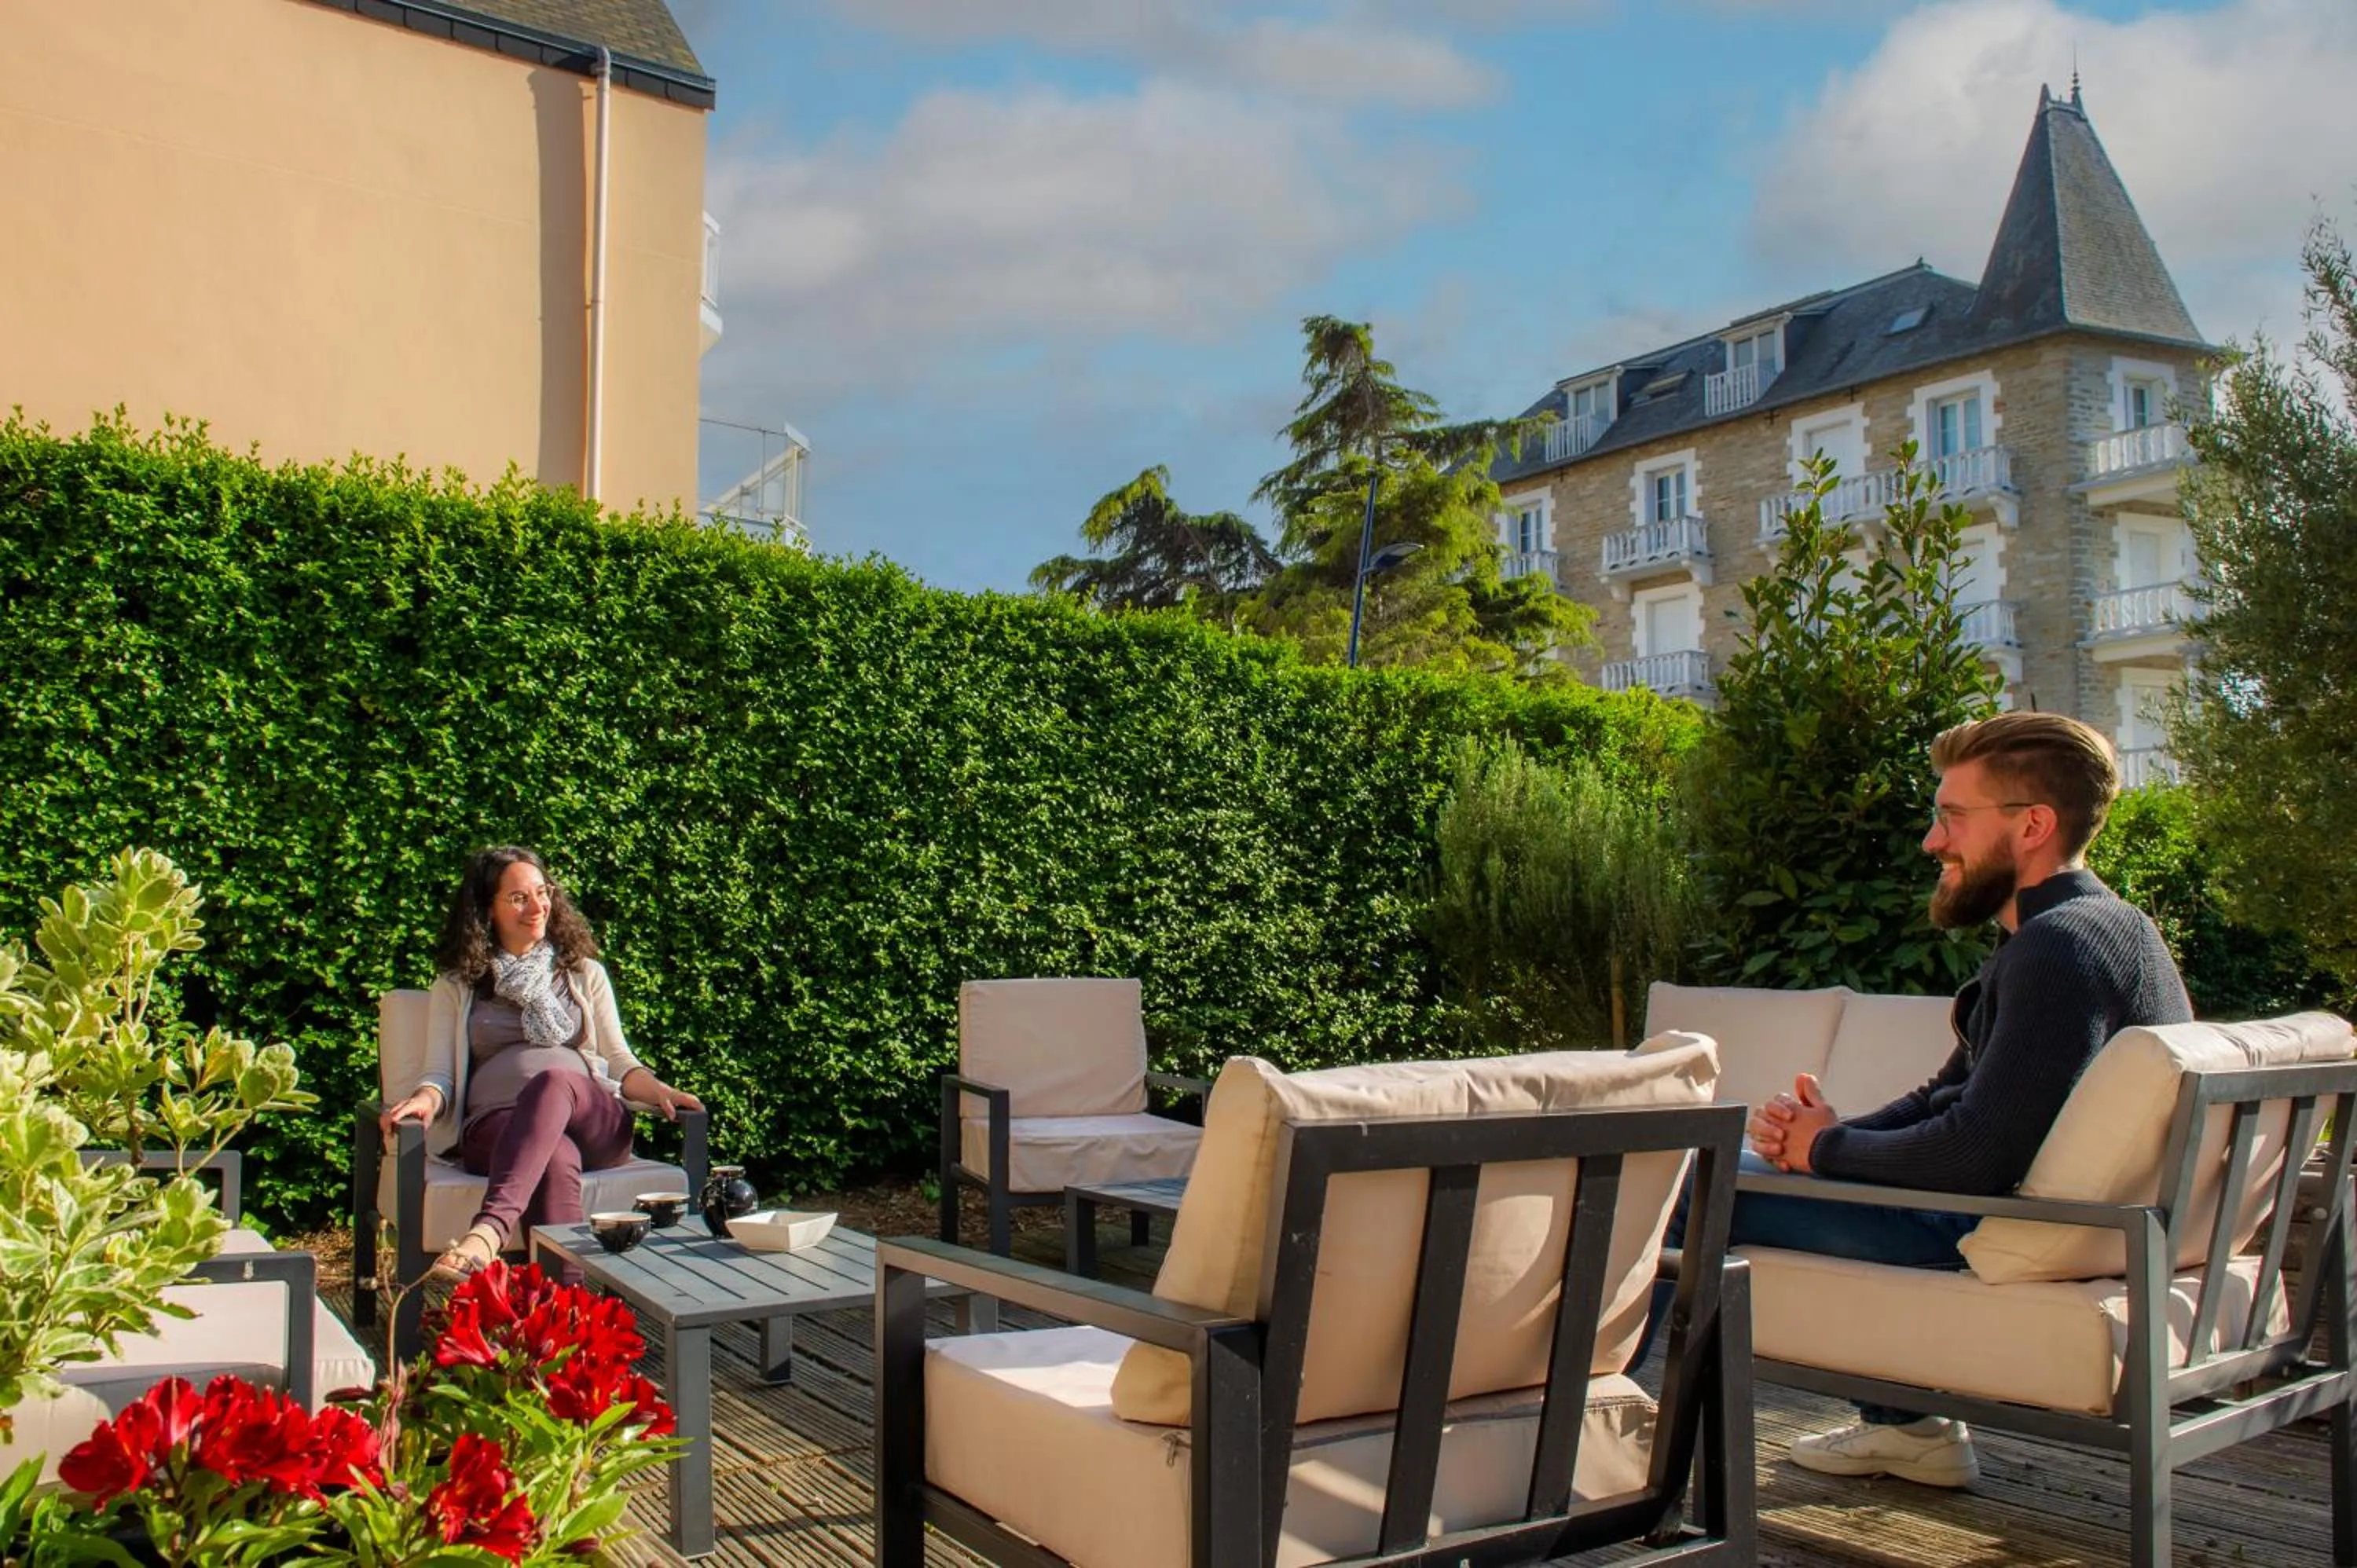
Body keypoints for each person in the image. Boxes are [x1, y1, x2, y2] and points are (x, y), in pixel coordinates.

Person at [1660, 711, 2191, 1489]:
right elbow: (1945, 1094)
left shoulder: (2061, 949)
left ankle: (1602, 1440)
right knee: (1710, 1157)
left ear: (2033, 824)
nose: (1932, 841)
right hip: (2041, 1222)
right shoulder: (2100, 930)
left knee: (1670, 1183)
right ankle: (1908, 1430)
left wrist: (1825, 1151)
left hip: (1979, 1223)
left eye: (1951, 816)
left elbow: (1975, 1153)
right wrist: (1822, 1138)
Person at [378, 845, 702, 1277]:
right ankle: (566, 1323)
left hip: (593, 1122)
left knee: (552, 1082)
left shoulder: (584, 973)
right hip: (495, 1127)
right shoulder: (457, 984)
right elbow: (440, 1073)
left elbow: (619, 1061)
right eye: (518, 898)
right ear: (486, 910)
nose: (537, 906)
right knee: (553, 1155)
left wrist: (659, 1090)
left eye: (542, 892)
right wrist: (424, 1098)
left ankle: (488, 1232)